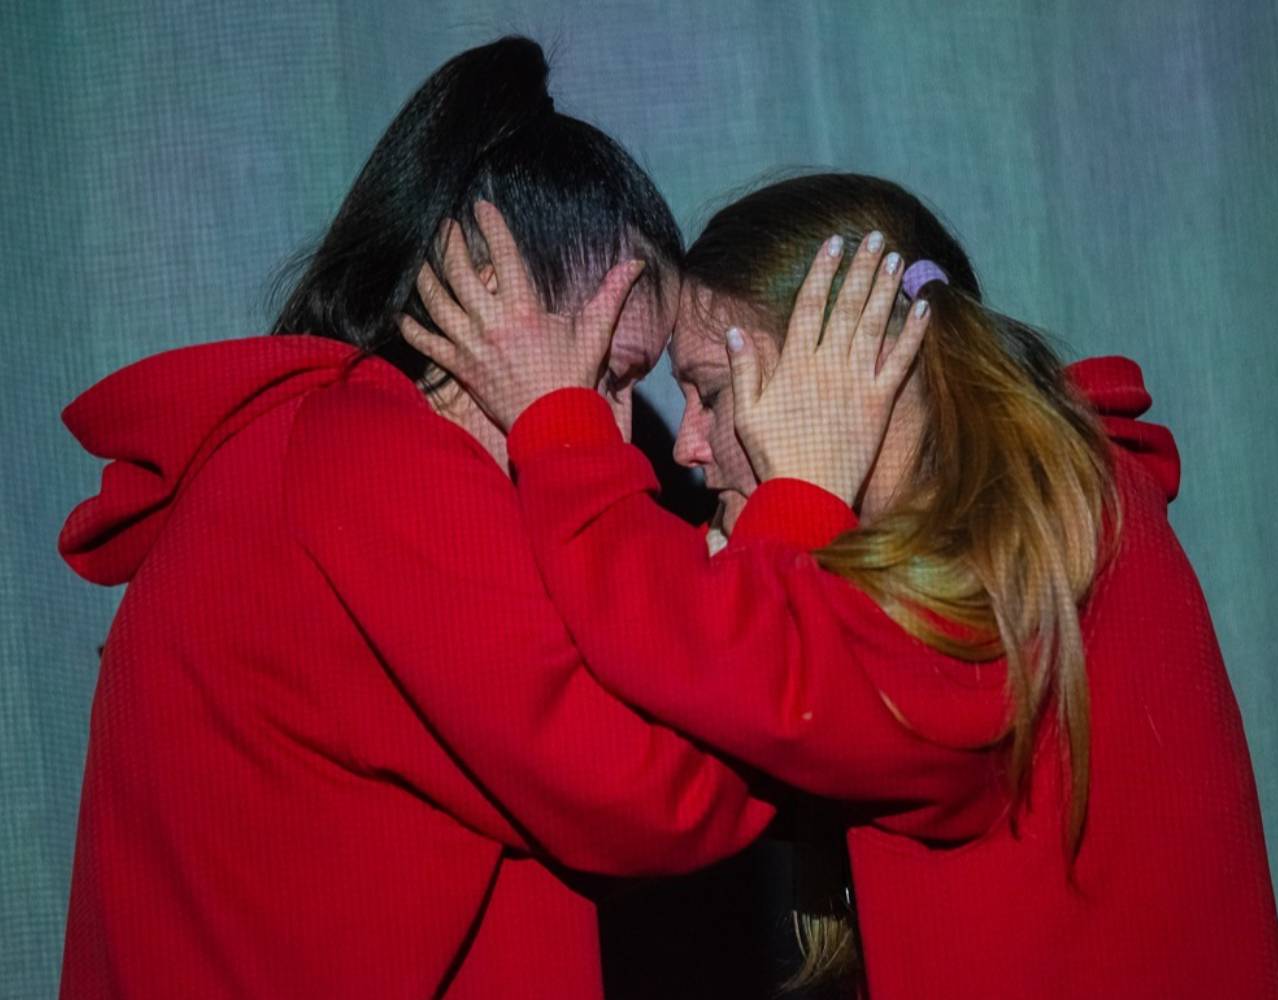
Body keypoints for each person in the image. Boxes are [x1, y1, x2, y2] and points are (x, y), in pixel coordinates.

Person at [406, 173, 1278, 999]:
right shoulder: (1062, 499)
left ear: (844, 368)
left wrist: (558, 423)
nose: (686, 444)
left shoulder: (1021, 544)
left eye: (712, 392)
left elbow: (754, 679)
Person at [55, 37, 777, 998]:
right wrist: (796, 538)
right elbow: (663, 793)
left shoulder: (291, 447)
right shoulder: (371, 459)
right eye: (607, 375)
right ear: (488, 303)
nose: (622, 436)